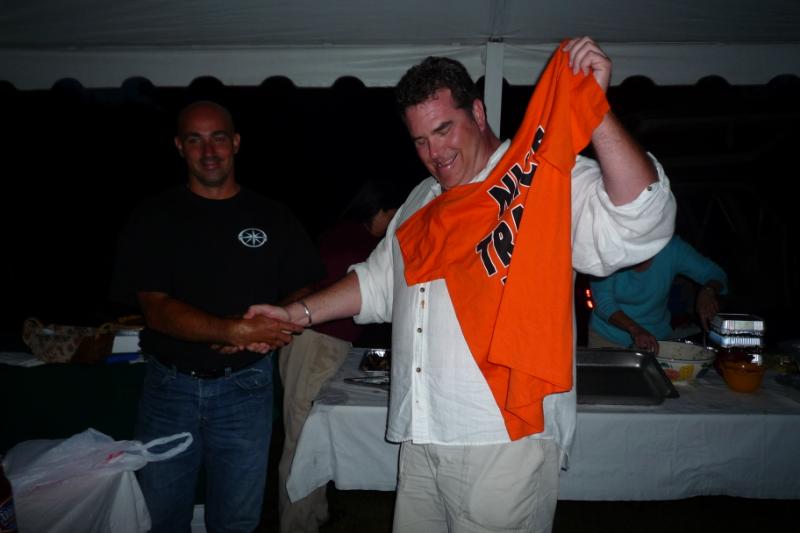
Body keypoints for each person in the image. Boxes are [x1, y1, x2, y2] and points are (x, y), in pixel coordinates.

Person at [247, 36, 676, 533]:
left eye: (443, 129)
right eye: (420, 141)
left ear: (477, 111)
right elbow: (380, 283)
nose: (434, 153)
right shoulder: (422, 200)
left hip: (503, 437)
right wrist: (295, 315)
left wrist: (592, 109)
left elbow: (641, 220)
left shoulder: (536, 176)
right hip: (422, 432)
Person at [109, 100, 323, 532]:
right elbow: (155, 308)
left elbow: (308, 285)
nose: (209, 151)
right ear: (179, 146)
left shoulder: (272, 215)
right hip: (169, 390)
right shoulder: (154, 216)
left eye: (218, 138)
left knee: (237, 520)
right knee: (161, 518)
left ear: (236, 143)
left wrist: (269, 328)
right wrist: (234, 330)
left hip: (246, 387)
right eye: (195, 140)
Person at [276, 178, 402, 532]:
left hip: (322, 344)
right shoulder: (354, 243)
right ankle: (297, 525)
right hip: (314, 344)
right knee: (301, 439)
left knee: (311, 436)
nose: (398, 221)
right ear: (381, 210)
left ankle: (315, 515)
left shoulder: (347, 235)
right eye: (395, 213)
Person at [587, 235, 727, 354]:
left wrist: (708, 290)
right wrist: (635, 329)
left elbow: (716, 273)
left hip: (657, 340)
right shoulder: (609, 249)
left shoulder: (671, 248)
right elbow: (603, 302)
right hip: (606, 339)